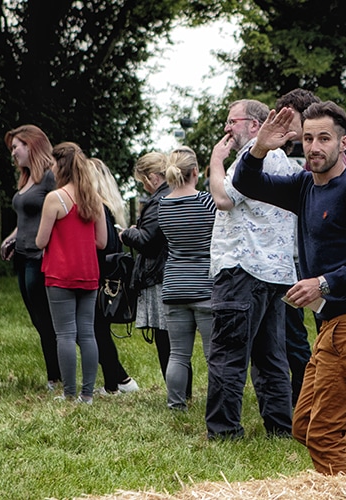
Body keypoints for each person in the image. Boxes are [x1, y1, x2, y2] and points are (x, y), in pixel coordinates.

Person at [235, 101, 346, 474]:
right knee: (306, 426)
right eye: (308, 138)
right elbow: (245, 183)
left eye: (324, 138)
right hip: (332, 326)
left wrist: (324, 283)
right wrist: (259, 146)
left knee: (324, 432)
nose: (314, 147)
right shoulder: (303, 185)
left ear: (343, 143)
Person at [204, 95, 305, 440]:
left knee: (227, 355)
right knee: (270, 357)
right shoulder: (290, 167)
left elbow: (223, 199)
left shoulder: (249, 159)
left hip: (241, 268)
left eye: (233, 121)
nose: (227, 128)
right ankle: (280, 427)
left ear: (256, 126)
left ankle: (224, 430)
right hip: (276, 273)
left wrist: (216, 161)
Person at [36, 142, 107, 404]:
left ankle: (69, 394)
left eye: (53, 164)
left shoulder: (55, 198)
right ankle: (87, 395)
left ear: (61, 166)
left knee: (65, 334)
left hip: (60, 273)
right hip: (88, 272)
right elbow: (101, 241)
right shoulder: (94, 198)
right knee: (87, 333)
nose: (51, 169)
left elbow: (40, 241)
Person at [0, 125, 61, 391]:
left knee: (46, 319)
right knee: (37, 319)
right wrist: (11, 237)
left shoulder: (50, 177)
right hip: (23, 256)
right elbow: (26, 220)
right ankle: (55, 374)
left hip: (40, 257)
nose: (13, 152)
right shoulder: (26, 180)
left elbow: (59, 214)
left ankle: (56, 378)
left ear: (31, 145)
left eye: (16, 147)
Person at [155, 147, 216, 410]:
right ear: (195, 172)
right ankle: (217, 404)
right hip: (204, 285)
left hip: (174, 285)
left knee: (178, 355)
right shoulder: (206, 201)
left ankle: (175, 404)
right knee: (214, 356)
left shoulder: (163, 204)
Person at [121, 152, 174, 387]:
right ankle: (181, 392)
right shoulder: (174, 194)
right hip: (171, 270)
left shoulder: (158, 200)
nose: (144, 186)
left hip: (159, 275)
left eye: (143, 181)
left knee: (166, 340)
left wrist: (127, 233)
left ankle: (177, 393)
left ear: (152, 177)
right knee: (174, 341)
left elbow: (149, 242)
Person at [88, 157, 138, 395]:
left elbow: (102, 245)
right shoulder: (111, 207)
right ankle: (120, 380)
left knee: (96, 332)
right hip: (109, 278)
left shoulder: (98, 206)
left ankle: (117, 383)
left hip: (99, 277)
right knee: (98, 331)